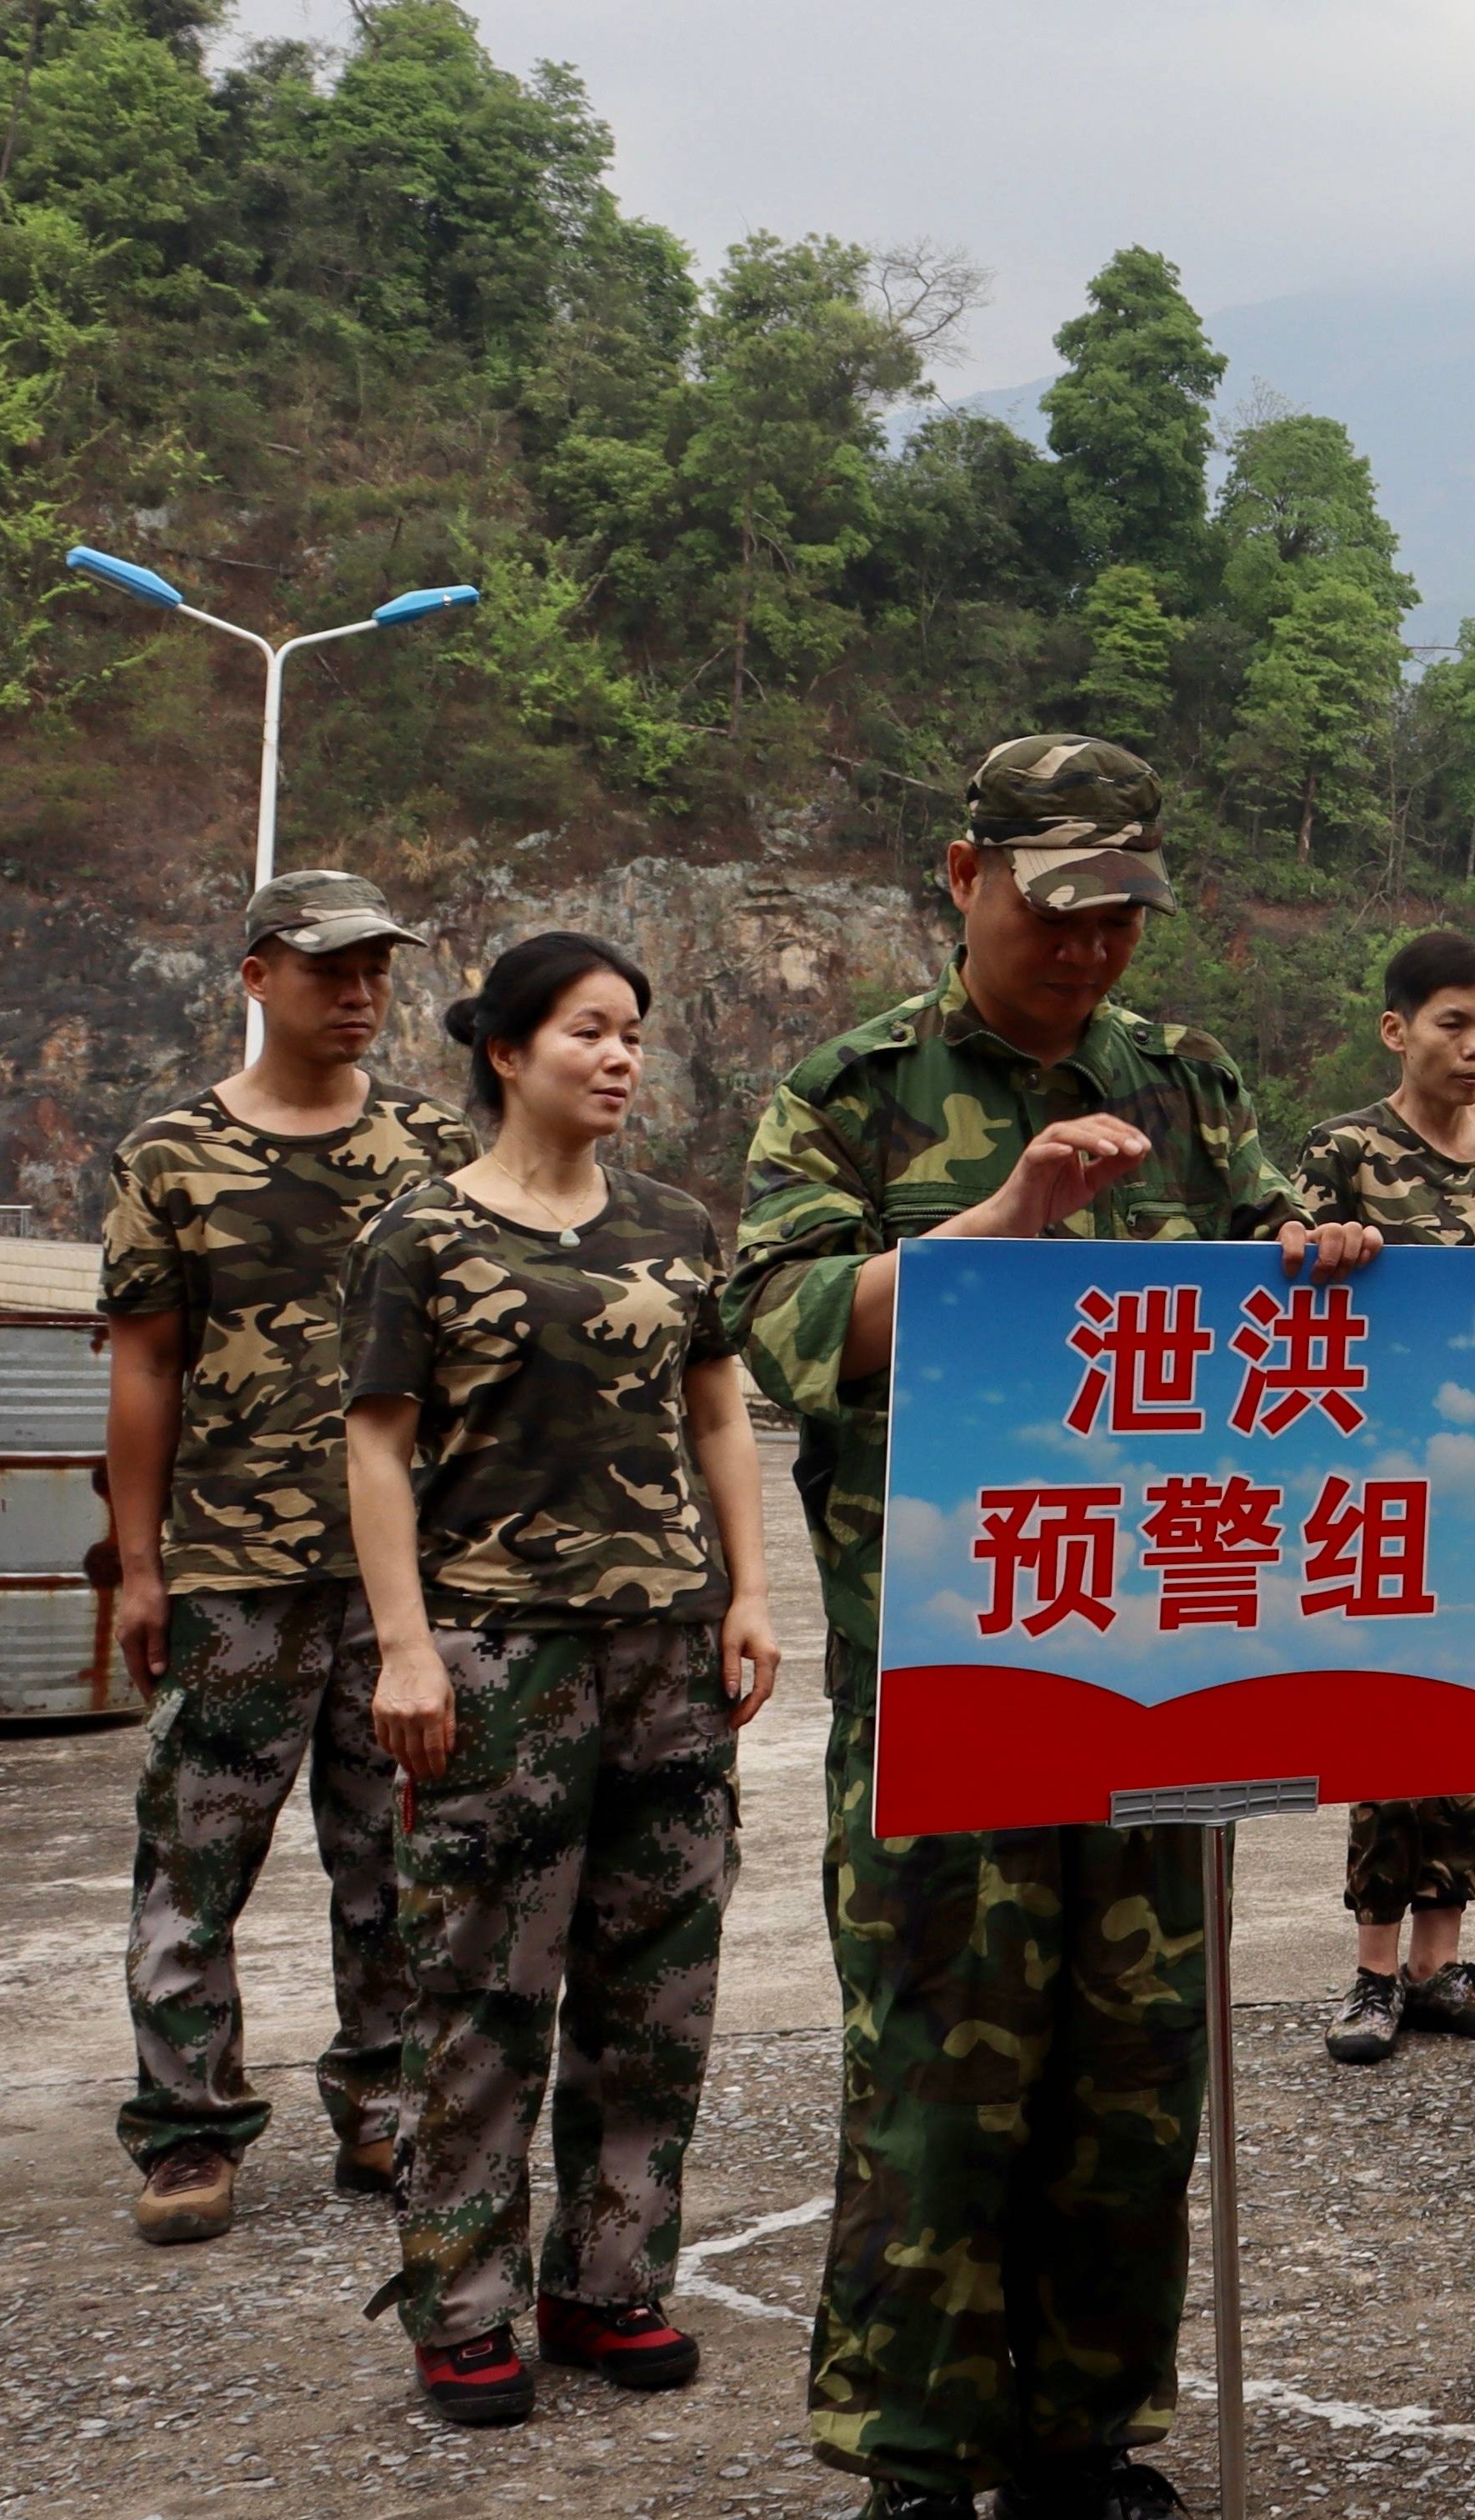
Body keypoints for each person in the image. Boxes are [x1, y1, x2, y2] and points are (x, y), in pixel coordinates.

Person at [728, 736, 1379, 2520]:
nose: (1091, 950)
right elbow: (782, 1326)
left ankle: (1089, 2434)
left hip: (1158, 1672)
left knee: (1134, 2071)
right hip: (957, 1677)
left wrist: (1325, 1263)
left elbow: (1267, 1316)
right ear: (965, 875)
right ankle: (923, 2455)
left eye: (1123, 916)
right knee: (943, 2072)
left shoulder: (1189, 1078)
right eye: (1058, 909)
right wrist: (1000, 1224)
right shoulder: (855, 1088)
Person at [341, 935, 782, 2429]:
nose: (620, 1058)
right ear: (507, 1050)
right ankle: (462, 2302)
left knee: (656, 1985)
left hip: (667, 1649)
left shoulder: (671, 1226)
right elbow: (378, 1445)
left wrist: (752, 1595)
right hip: (496, 1653)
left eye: (636, 1036)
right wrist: (403, 1645)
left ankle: (609, 2284)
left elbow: (720, 1415)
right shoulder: (423, 1234)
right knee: (484, 1982)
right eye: (590, 1031)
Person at [97, 868, 472, 2248]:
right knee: (197, 1857)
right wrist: (140, 1566)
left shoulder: (434, 1149)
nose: (360, 993)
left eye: (377, 968)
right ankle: (189, 2129)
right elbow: (145, 1366)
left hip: (398, 1581)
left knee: (393, 1854)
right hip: (235, 1569)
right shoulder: (174, 1156)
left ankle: (382, 2106)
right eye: (329, 968)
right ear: (257, 976)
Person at [1288, 929, 1475, 2068]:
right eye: (1451, 1024)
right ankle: (1368, 1973)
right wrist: (1319, 1246)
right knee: (1383, 1717)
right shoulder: (1344, 1150)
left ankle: (1438, 1965)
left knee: (1461, 1720)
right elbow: (1283, 1271)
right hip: (1374, 1483)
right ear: (1396, 1029)